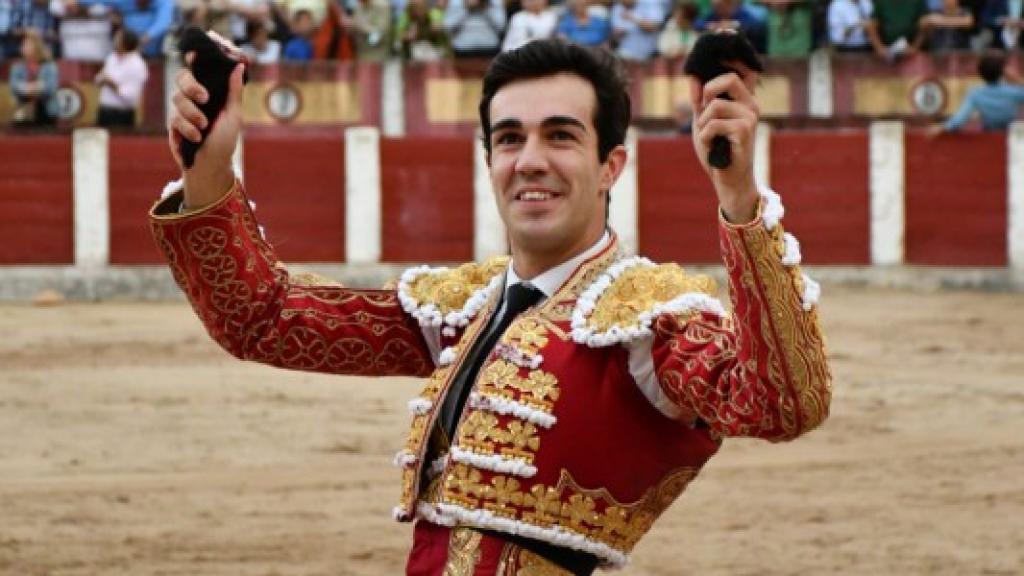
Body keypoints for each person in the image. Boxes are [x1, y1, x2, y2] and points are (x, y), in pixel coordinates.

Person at [155, 36, 831, 574]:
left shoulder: (647, 317)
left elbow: (780, 405)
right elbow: (264, 319)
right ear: (489, 162)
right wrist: (208, 171)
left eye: (561, 136)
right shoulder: (462, 307)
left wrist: (739, 199)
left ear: (611, 166)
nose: (529, 159)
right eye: (509, 139)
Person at [930, 49, 1024, 134]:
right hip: (1010, 136)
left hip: (989, 136)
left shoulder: (975, 94)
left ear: (981, 74)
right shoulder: (1015, 92)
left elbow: (959, 120)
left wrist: (942, 127)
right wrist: (1017, 79)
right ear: (1002, 72)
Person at [95, 28, 149, 127]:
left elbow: (131, 96)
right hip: (104, 111)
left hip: (122, 115)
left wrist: (112, 84)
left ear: (125, 43)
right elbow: (98, 78)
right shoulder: (112, 58)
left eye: (117, 38)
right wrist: (101, 79)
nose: (114, 40)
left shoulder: (137, 65)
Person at [8, 28, 58, 126]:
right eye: (23, 45)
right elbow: (14, 87)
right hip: (24, 109)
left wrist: (28, 87)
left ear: (37, 46)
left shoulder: (49, 66)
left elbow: (51, 88)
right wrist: (35, 87)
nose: (24, 47)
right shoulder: (17, 67)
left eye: (27, 45)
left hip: (46, 110)